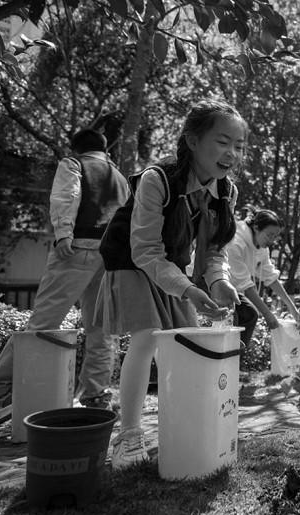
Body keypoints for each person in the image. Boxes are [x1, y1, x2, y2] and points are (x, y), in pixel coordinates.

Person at [96, 100, 245, 469]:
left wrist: (219, 282)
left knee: (181, 344)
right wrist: (188, 289)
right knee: (147, 337)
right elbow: (145, 250)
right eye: (223, 142)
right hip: (131, 261)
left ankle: (184, 423)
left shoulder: (227, 192)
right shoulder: (157, 179)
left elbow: (214, 252)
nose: (232, 153)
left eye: (239, 146)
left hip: (170, 268)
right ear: (193, 141)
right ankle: (129, 435)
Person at [0, 129, 129, 436]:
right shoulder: (121, 178)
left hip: (77, 248)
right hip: (112, 256)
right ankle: (96, 396)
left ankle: (0, 391)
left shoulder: (74, 163)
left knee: (42, 323)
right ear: (105, 150)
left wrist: (63, 233)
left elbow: (67, 195)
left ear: (77, 148)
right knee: (102, 327)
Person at [225, 208, 300, 347]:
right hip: (206, 280)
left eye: (275, 236)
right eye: (269, 235)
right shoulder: (235, 243)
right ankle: (230, 355)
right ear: (256, 228)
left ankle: (236, 355)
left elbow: (270, 277)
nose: (272, 240)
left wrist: (292, 308)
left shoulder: (261, 247)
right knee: (245, 314)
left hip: (231, 287)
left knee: (249, 314)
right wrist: (268, 314)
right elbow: (246, 286)